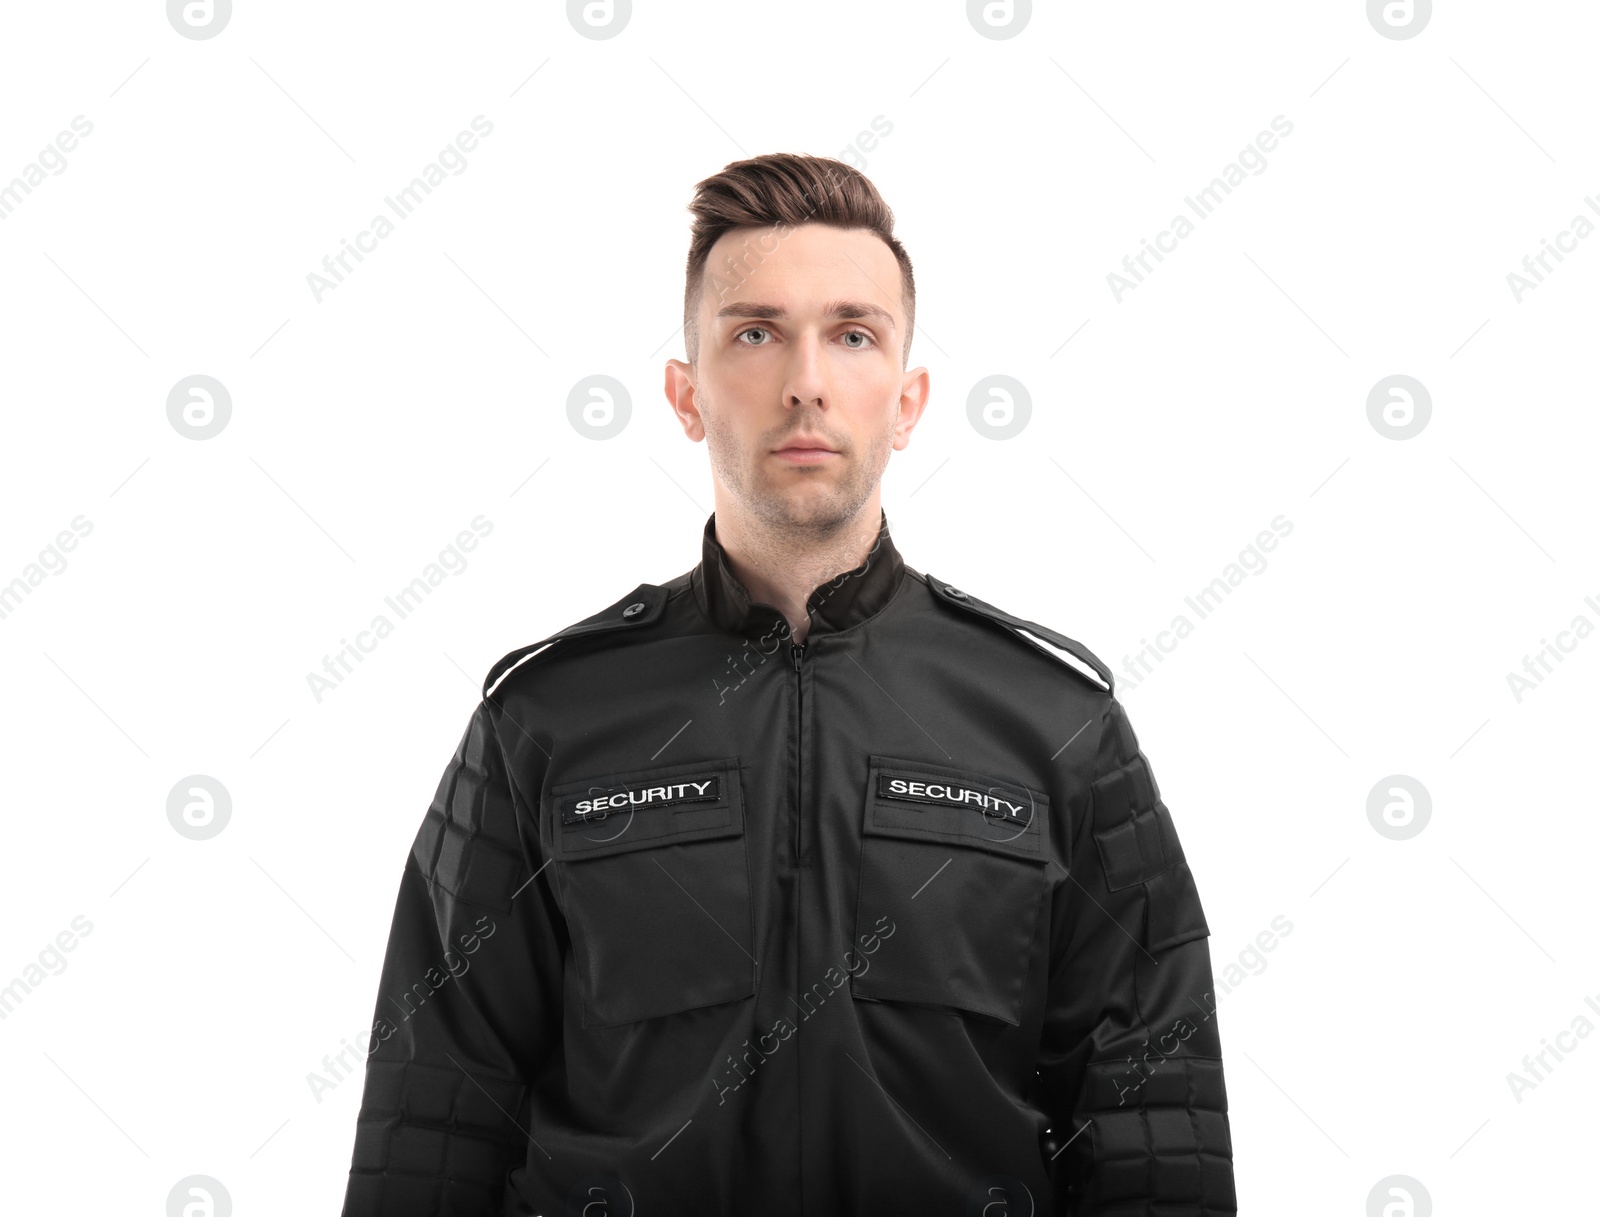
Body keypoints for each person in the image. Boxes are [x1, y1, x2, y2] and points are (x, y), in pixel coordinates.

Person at [339, 152, 1237, 1216]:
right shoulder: (543, 722)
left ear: (905, 399)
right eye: (754, 332)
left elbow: (1151, 1122)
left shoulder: (1053, 724)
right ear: (685, 394)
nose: (805, 378)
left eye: (851, 333)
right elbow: (435, 1112)